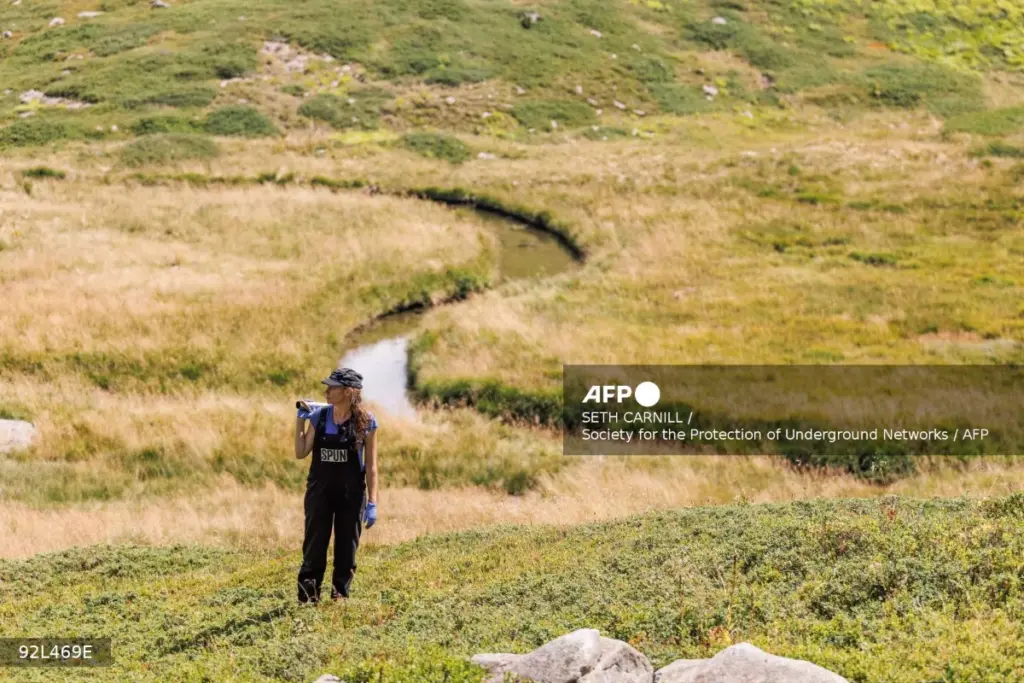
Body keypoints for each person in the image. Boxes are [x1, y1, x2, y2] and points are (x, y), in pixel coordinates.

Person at [294, 367, 378, 603]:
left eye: (332, 387)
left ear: (349, 392)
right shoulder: (319, 417)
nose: (327, 391)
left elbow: (371, 466)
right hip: (319, 492)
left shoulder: (367, 422)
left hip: (351, 495)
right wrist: (299, 423)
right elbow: (301, 452)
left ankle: (340, 596)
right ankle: (308, 598)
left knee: (346, 548)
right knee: (314, 545)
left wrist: (372, 502)